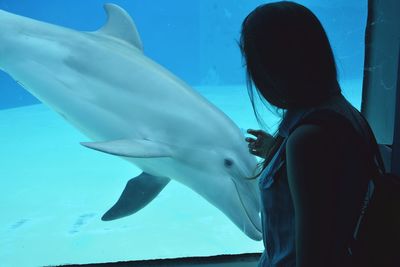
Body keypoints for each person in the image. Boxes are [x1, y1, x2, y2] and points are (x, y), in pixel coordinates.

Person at [240, 2, 371, 267]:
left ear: (273, 66)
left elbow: (314, 255)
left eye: (252, 60)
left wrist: (294, 151)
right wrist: (279, 153)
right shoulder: (343, 113)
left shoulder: (308, 139)